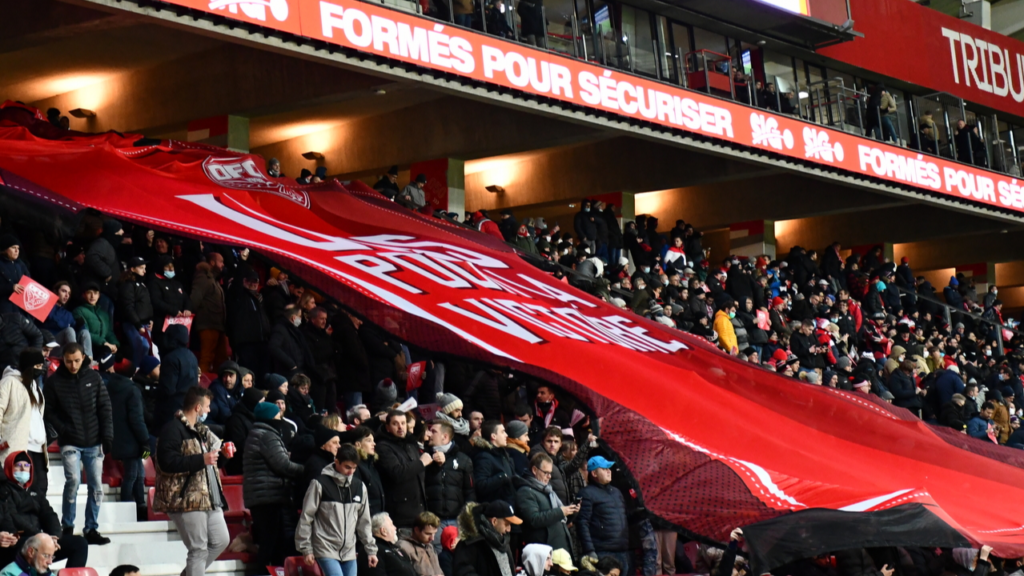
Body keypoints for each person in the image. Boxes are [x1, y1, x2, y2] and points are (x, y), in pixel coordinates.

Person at [153, 386, 231, 576]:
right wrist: (201, 460)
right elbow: (166, 462)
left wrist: (225, 453)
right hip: (185, 498)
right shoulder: (172, 429)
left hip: (208, 496)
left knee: (221, 540)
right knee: (198, 549)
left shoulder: (202, 430)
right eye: (207, 406)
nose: (209, 411)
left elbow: (214, 459)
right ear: (197, 407)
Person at [42, 343, 112, 544]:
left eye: (77, 361)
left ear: (83, 358)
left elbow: (105, 408)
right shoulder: (54, 382)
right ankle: (68, 526)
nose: (73, 365)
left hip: (94, 440)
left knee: (96, 486)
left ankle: (91, 528)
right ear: (62, 359)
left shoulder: (94, 377)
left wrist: (108, 437)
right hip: (70, 441)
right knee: (72, 481)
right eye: (69, 361)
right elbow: (48, 410)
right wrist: (63, 429)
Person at [297, 444, 378, 576]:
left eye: (354, 467)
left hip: (349, 551)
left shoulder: (359, 486)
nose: (351, 471)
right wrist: (306, 549)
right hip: (325, 547)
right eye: (347, 467)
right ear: (336, 462)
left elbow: (364, 522)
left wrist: (371, 550)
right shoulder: (319, 484)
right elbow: (306, 518)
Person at [0, 452, 89, 569]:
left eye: (26, 466)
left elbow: (49, 514)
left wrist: (53, 536)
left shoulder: (35, 491)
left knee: (80, 543)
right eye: (18, 465)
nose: (23, 469)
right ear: (9, 467)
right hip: (18, 543)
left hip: (39, 540)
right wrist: (40, 537)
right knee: (33, 546)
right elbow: (11, 519)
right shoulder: (3, 491)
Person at [245, 399, 305, 566]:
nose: (281, 417)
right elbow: (282, 464)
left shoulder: (259, 433)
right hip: (267, 497)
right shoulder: (267, 435)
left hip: (263, 495)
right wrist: (306, 470)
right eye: (278, 414)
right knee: (270, 543)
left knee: (272, 542)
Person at [103, 352, 150, 522]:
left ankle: (140, 505)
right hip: (133, 442)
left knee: (137, 474)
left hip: (117, 440)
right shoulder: (132, 390)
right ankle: (128, 508)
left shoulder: (109, 387)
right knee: (132, 475)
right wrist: (145, 440)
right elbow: (137, 419)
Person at [0, 349, 48, 494]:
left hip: (39, 449)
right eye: (37, 366)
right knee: (18, 492)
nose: (41, 370)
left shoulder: (36, 388)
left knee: (41, 492)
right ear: (29, 366)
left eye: (42, 366)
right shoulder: (9, 382)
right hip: (18, 447)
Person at [424, 421, 474, 550]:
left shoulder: (463, 459)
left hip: (456, 520)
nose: (429, 434)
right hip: (433, 521)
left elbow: (469, 492)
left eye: (434, 431)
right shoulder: (424, 457)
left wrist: (466, 520)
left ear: (445, 437)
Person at [377, 410, 431, 528]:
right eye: (395, 424)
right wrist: (421, 463)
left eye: (403, 423)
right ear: (387, 427)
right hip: (401, 514)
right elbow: (397, 473)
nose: (400, 427)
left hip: (419, 511)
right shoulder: (383, 447)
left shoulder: (411, 444)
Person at [517, 452, 577, 553]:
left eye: (550, 473)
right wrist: (560, 512)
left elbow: (560, 519)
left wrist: (572, 511)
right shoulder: (525, 492)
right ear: (535, 470)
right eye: (546, 473)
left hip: (560, 549)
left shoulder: (549, 491)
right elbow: (534, 519)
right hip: (544, 552)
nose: (549, 477)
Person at [578, 457, 629, 573]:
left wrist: (640, 514)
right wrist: (590, 550)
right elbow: (582, 524)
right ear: (594, 473)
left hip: (623, 551)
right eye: (604, 468)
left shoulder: (616, 492)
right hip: (602, 552)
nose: (609, 470)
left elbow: (625, 518)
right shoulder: (586, 493)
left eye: (609, 468)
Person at [452, 501, 520, 576]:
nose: (509, 529)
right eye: (506, 524)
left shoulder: (503, 541)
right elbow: (463, 572)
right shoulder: (471, 544)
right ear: (494, 521)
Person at [226, 268, 271, 377]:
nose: (253, 284)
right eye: (249, 281)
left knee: (261, 374)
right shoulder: (238, 295)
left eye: (255, 281)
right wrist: (242, 262)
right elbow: (236, 286)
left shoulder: (258, 299)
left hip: (261, 342)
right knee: (247, 373)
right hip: (246, 344)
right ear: (243, 281)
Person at [155, 324, 200, 430]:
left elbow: (167, 389)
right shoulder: (192, 356)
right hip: (188, 408)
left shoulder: (171, 358)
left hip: (171, 412)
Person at [191, 253, 228, 373]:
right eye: (221, 261)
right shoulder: (203, 277)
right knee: (206, 357)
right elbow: (195, 299)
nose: (223, 265)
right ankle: (201, 385)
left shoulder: (213, 279)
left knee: (221, 358)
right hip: (207, 324)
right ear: (212, 262)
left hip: (217, 325)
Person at [118, 257, 154, 371]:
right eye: (141, 268)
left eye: (145, 268)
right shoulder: (128, 286)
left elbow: (147, 304)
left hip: (145, 324)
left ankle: (142, 371)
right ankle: (135, 372)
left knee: (146, 347)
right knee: (140, 347)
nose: (144, 271)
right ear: (132, 269)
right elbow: (128, 307)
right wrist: (137, 324)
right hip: (133, 324)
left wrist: (151, 319)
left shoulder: (142, 284)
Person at [149, 255, 192, 348]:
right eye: (167, 266)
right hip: (162, 326)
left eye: (172, 267)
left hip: (179, 325)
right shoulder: (155, 282)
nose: (170, 269)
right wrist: (173, 310)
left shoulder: (177, 283)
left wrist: (188, 308)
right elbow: (156, 301)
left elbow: (186, 298)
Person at [472, 420, 517, 504]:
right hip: (495, 511)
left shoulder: (504, 455)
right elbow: (480, 486)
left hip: (508, 506)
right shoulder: (484, 457)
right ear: (493, 436)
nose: (506, 435)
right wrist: (502, 477)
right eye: (503, 432)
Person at [73, 282, 118, 362]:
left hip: (103, 347)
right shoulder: (78, 311)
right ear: (84, 294)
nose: (92, 296)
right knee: (106, 351)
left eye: (95, 293)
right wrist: (104, 343)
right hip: (88, 347)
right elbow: (84, 333)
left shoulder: (104, 313)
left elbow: (109, 332)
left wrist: (115, 344)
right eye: (89, 293)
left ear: (99, 295)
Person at [223, 387, 264, 476]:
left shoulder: (254, 417)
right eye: (261, 403)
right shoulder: (235, 420)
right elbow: (240, 445)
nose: (263, 406)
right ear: (253, 403)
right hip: (240, 467)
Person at [269, 305, 315, 379]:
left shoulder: (294, 330)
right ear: (294, 318)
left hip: (298, 370)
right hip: (288, 373)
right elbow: (273, 347)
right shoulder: (280, 329)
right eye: (300, 316)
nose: (301, 319)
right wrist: (291, 365)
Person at [397, 512, 443, 576]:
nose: (432, 538)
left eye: (434, 533)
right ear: (416, 530)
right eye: (428, 534)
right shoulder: (402, 547)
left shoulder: (429, 546)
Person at [207, 361, 241, 426]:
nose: (227, 379)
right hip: (215, 423)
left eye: (231, 375)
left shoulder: (240, 387)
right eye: (225, 376)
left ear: (237, 376)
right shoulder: (217, 388)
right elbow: (225, 415)